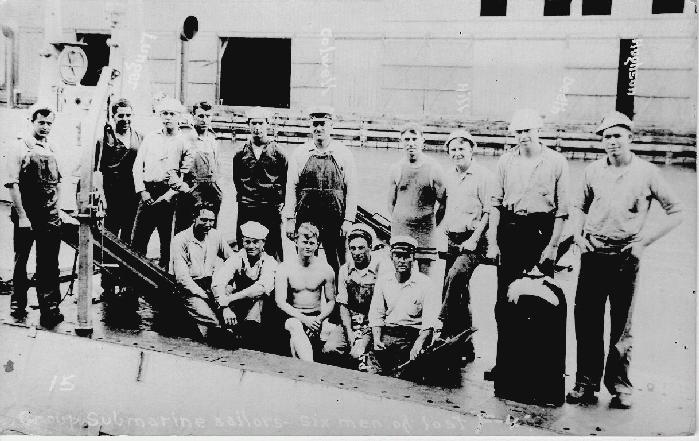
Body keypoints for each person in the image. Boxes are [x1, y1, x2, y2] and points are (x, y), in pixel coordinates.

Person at [566, 111, 683, 409]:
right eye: (606, 136)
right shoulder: (592, 171)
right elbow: (578, 205)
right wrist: (578, 235)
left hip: (625, 256)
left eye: (617, 135)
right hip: (593, 253)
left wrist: (643, 242)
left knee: (622, 326)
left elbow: (677, 212)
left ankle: (620, 385)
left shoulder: (647, 173)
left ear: (630, 138)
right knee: (588, 322)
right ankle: (586, 383)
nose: (612, 141)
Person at [485, 108, 570, 381]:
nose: (523, 137)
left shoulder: (557, 162)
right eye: (519, 132)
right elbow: (495, 205)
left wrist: (553, 246)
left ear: (538, 131)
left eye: (528, 131)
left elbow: (562, 211)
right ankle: (505, 363)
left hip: (541, 232)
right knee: (505, 301)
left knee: (541, 300)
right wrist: (494, 242)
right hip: (511, 231)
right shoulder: (505, 162)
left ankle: (538, 368)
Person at [4, 105, 77, 328]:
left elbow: (59, 183)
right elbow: (12, 184)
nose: (45, 127)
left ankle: (50, 309)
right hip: (27, 215)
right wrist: (23, 216)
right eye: (41, 122)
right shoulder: (19, 147)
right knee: (21, 261)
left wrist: (59, 211)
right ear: (32, 121)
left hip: (50, 216)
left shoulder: (53, 148)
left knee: (48, 263)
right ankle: (18, 304)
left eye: (49, 123)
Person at [437, 130, 494, 364]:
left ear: (472, 150)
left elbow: (490, 211)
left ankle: (442, 325)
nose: (457, 153)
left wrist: (474, 239)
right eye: (453, 149)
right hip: (453, 239)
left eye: (462, 148)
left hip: (474, 240)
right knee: (460, 292)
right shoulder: (448, 176)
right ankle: (466, 345)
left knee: (455, 277)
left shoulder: (483, 176)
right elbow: (441, 206)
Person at [283, 106, 357, 273]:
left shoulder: (343, 153)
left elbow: (352, 190)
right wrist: (289, 219)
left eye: (322, 123)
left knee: (337, 262)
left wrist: (348, 220)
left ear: (331, 125)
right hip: (307, 218)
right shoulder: (300, 153)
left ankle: (339, 296)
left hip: (335, 218)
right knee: (305, 261)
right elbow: (291, 187)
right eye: (315, 124)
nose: (318, 128)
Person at [367, 236, 441, 377]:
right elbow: (377, 315)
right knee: (373, 372)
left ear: (413, 258)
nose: (401, 261)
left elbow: (429, 324)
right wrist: (377, 339)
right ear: (391, 257)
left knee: (405, 376)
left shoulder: (426, 284)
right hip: (388, 334)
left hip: (411, 336)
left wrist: (419, 344)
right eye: (398, 256)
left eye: (406, 256)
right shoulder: (384, 281)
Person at [131, 97, 192, 268]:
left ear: (178, 116)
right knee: (138, 240)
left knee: (168, 242)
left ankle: (164, 282)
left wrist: (170, 194)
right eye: (164, 113)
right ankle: (135, 284)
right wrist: (142, 191)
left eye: (172, 114)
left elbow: (186, 174)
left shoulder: (184, 141)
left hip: (170, 197)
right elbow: (137, 167)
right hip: (148, 194)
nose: (168, 117)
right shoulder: (150, 138)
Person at [275, 222, 346, 361]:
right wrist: (304, 319)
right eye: (304, 242)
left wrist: (318, 320)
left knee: (296, 346)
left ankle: (301, 367)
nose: (307, 246)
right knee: (295, 325)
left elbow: (331, 301)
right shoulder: (285, 267)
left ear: (317, 244)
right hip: (291, 315)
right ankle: (310, 367)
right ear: (296, 241)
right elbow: (280, 302)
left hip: (315, 318)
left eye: (311, 243)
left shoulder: (325, 269)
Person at [94, 98, 143, 297]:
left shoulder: (140, 138)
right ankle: (108, 285)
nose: (125, 119)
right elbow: (97, 171)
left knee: (130, 242)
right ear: (113, 117)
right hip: (112, 198)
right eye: (120, 115)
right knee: (110, 243)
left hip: (133, 198)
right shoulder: (103, 139)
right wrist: (102, 198)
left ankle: (127, 283)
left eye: (128, 115)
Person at [387, 123, 447, 275]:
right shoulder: (396, 168)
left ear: (423, 140)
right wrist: (401, 220)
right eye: (406, 139)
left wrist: (431, 222)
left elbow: (443, 204)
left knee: (424, 278)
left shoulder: (434, 168)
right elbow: (391, 203)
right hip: (401, 229)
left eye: (415, 139)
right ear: (401, 142)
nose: (411, 143)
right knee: (400, 275)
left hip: (425, 230)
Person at [211, 221, 277, 350]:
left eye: (255, 242)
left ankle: (248, 333)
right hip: (240, 304)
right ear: (242, 242)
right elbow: (218, 281)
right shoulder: (237, 258)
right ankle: (229, 329)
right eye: (247, 242)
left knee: (261, 298)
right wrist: (224, 307)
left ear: (263, 243)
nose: (251, 246)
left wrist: (229, 299)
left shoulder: (270, 262)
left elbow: (260, 288)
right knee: (225, 288)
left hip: (263, 312)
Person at [171, 204, 233, 340]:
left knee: (231, 313)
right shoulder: (180, 240)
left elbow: (232, 259)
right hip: (191, 289)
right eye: (204, 220)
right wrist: (204, 295)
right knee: (213, 321)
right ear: (194, 218)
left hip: (212, 285)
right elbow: (182, 278)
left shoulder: (216, 235)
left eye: (211, 220)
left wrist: (226, 284)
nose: (208, 224)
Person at [233, 107, 288, 261]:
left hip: (269, 207)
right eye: (253, 123)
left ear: (267, 124)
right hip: (247, 206)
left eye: (261, 123)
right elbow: (236, 180)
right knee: (246, 245)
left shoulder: (279, 152)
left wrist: (280, 201)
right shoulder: (240, 153)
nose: (257, 128)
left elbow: (284, 181)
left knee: (272, 246)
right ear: (248, 125)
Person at [337, 224, 385, 370]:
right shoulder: (345, 270)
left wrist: (365, 337)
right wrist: (349, 332)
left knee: (360, 356)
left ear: (370, 246)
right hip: (351, 322)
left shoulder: (380, 268)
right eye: (353, 248)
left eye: (361, 247)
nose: (356, 252)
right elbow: (343, 304)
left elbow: (380, 307)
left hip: (372, 324)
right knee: (330, 349)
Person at [175, 101, 222, 233]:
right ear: (193, 116)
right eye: (201, 116)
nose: (204, 120)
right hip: (191, 193)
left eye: (208, 116)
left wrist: (218, 191)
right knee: (185, 230)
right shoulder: (184, 139)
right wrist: (184, 188)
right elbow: (173, 169)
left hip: (211, 194)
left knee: (209, 231)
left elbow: (217, 169)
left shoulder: (213, 140)